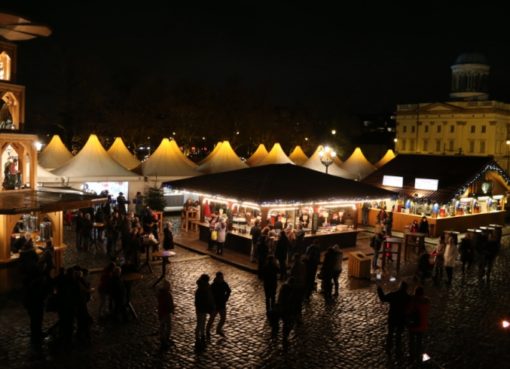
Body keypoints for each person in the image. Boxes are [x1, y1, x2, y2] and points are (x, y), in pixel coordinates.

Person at [377, 281, 410, 355]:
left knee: (390, 333)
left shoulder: (394, 295)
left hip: (392, 317)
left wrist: (379, 289)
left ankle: (388, 348)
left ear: (400, 287)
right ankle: (398, 349)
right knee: (399, 335)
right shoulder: (407, 298)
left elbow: (383, 298)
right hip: (401, 319)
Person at [406, 286, 430, 363]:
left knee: (412, 341)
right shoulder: (426, 301)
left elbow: (408, 311)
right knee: (419, 341)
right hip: (422, 325)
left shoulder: (413, 302)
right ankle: (419, 354)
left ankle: (411, 355)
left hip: (414, 325)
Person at [206, 272, 231, 337]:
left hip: (222, 304)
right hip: (215, 305)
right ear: (217, 278)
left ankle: (218, 329)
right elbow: (209, 295)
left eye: (222, 277)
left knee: (223, 318)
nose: (221, 279)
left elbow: (228, 291)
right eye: (220, 278)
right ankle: (207, 330)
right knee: (212, 318)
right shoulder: (213, 285)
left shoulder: (224, 284)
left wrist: (226, 298)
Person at [194, 274, 215, 351]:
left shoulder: (204, 288)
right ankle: (198, 336)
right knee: (200, 322)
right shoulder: (203, 289)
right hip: (201, 308)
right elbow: (208, 299)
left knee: (202, 322)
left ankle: (201, 335)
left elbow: (209, 298)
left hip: (202, 308)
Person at [156, 280, 175, 350]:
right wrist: (172, 309)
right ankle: (165, 340)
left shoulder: (160, 294)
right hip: (166, 313)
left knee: (163, 327)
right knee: (166, 327)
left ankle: (164, 340)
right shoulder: (167, 295)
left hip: (162, 313)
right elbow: (168, 304)